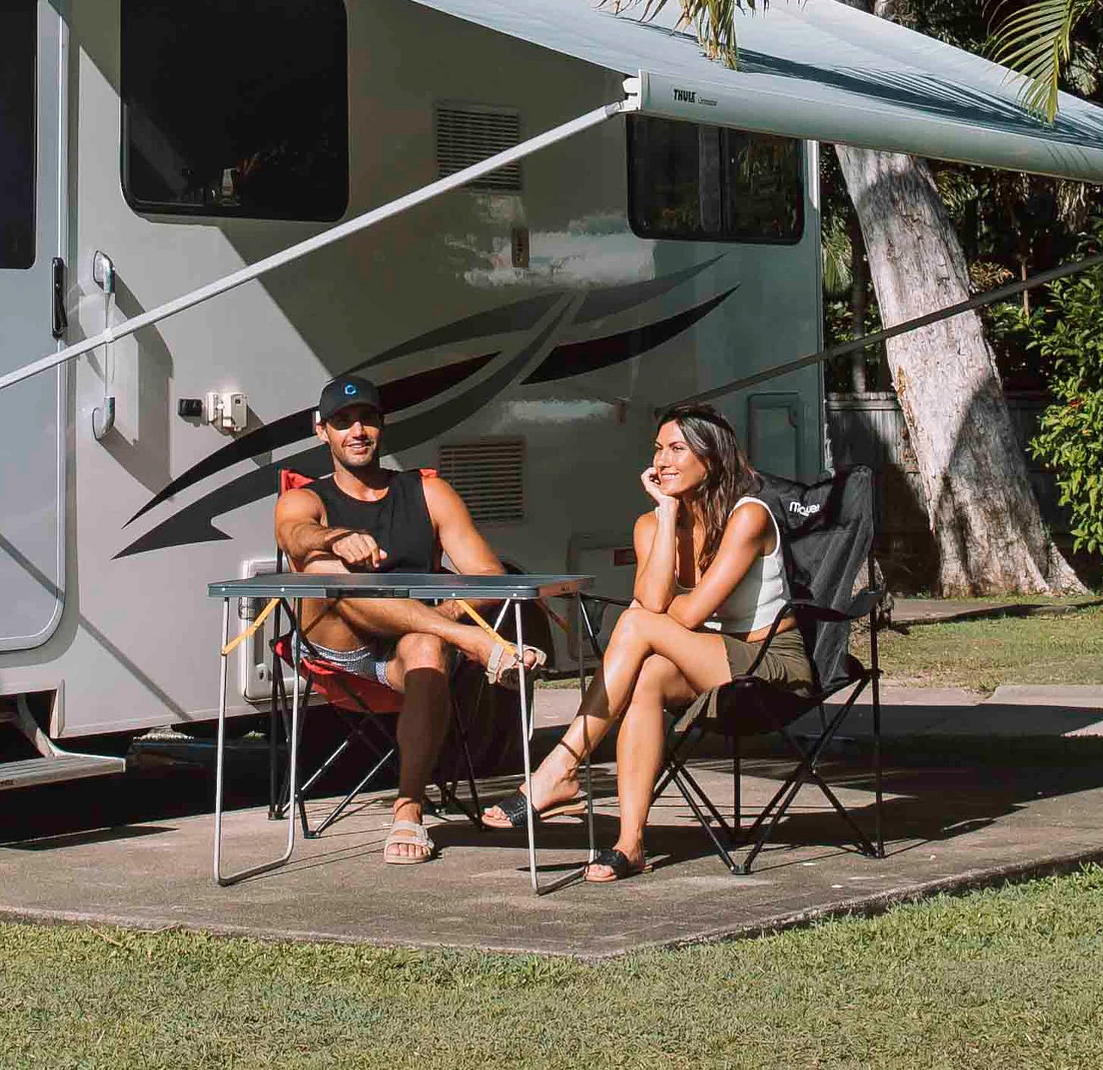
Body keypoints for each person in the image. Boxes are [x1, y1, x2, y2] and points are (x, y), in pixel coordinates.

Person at [490, 408, 791, 879]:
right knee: (646, 678)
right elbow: (653, 600)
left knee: (634, 624)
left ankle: (560, 769)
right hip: (707, 658)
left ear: (710, 460)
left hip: (768, 664)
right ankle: (630, 844)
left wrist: (649, 616)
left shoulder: (747, 517)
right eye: (657, 448)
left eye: (677, 449)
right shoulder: (651, 525)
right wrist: (668, 514)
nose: (663, 460)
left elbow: (683, 613)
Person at [271, 371, 537, 864]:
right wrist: (334, 538)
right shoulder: (305, 498)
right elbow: (294, 536)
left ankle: (408, 807)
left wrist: (441, 615)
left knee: (427, 644)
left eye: (367, 419)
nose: (357, 431)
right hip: (339, 648)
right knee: (322, 568)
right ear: (320, 430)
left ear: (382, 424)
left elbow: (486, 573)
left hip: (408, 652)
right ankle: (474, 642)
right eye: (342, 421)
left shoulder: (428, 492)